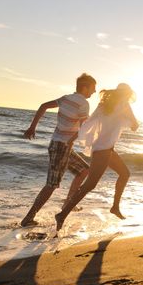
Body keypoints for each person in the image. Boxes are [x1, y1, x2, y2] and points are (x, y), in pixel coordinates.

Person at [55, 83, 139, 231]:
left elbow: (88, 122)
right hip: (104, 149)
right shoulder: (124, 105)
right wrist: (128, 122)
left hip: (103, 148)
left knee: (125, 174)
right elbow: (135, 125)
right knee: (90, 184)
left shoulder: (103, 105)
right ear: (126, 94)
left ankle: (115, 207)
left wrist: (75, 137)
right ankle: (62, 214)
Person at [20, 73, 96, 227]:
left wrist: (32, 127)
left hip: (60, 145)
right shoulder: (83, 103)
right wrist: (73, 139)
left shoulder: (65, 98)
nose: (93, 92)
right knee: (52, 184)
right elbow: (84, 127)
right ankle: (28, 218)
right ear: (85, 87)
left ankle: (68, 205)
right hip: (62, 146)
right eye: (93, 89)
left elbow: (43, 106)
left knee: (84, 171)